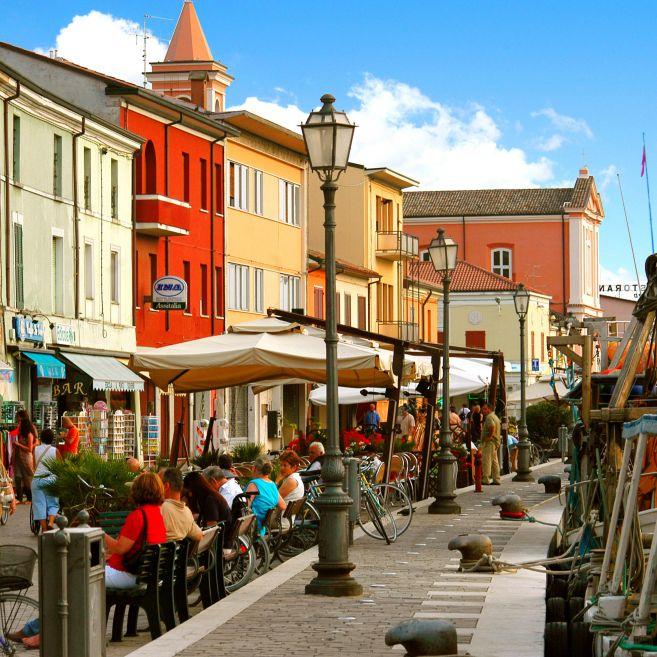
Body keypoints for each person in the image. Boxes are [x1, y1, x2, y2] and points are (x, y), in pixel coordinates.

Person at [104, 472, 167, 589]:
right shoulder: (158, 513)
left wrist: (100, 534)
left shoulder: (138, 515)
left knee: (80, 574)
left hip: (129, 575)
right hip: (147, 574)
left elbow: (120, 549)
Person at [160, 467, 203, 542]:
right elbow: (199, 536)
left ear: (166, 486)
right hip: (177, 553)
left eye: (158, 483)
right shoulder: (187, 512)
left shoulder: (159, 509)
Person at [245, 457, 285, 532]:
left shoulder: (254, 484)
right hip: (265, 525)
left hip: (254, 526)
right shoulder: (272, 484)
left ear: (254, 468)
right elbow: (283, 506)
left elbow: (245, 507)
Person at [31, 429, 60, 533]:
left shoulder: (35, 449)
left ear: (41, 438)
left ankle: (43, 528)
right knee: (53, 503)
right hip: (50, 479)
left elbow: (34, 466)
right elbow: (59, 467)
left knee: (39, 504)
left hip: (37, 480)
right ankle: (51, 523)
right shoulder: (55, 450)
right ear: (52, 439)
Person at [12, 413, 36, 503]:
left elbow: (29, 449)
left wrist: (19, 444)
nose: (19, 424)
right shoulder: (20, 434)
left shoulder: (29, 435)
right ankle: (19, 497)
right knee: (18, 477)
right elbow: (12, 435)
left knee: (27, 478)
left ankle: (30, 498)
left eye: (20, 423)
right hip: (18, 458)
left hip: (26, 458)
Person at [481, 402, 502, 485]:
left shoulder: (489, 417)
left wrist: (488, 437)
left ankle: (485, 479)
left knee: (487, 460)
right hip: (495, 442)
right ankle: (496, 479)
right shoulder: (495, 416)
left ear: (489, 409)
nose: (483, 411)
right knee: (494, 461)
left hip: (490, 442)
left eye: (484, 409)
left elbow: (492, 427)